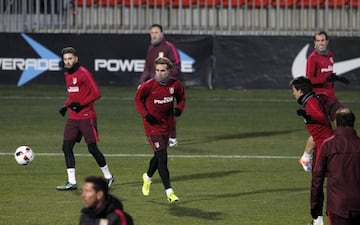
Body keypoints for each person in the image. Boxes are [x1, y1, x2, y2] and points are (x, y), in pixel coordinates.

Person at [57, 47, 114, 191]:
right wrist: (66, 106)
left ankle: (108, 177)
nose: (68, 61)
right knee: (66, 147)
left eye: (70, 58)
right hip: (73, 117)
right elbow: (73, 96)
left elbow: (97, 93)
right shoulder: (67, 74)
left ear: (76, 58)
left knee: (92, 148)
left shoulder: (83, 73)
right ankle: (71, 182)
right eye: (65, 59)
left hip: (87, 116)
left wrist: (81, 104)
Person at [135, 57, 185, 203]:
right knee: (162, 158)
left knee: (158, 156)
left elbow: (182, 98)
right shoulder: (148, 86)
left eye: (163, 71)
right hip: (152, 127)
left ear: (169, 71)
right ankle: (169, 192)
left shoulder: (175, 85)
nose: (159, 73)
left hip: (166, 126)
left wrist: (179, 109)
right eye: (157, 70)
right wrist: (145, 115)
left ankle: (147, 177)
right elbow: (138, 100)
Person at [299, 31, 349, 172]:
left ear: (327, 41)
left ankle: (341, 155)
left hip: (331, 98)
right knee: (323, 132)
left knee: (343, 120)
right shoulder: (312, 59)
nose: (321, 43)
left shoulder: (330, 56)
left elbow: (328, 75)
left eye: (323, 40)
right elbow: (309, 79)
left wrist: (335, 79)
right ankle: (306, 157)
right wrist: (325, 80)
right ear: (315, 43)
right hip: (320, 98)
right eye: (318, 41)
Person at [290, 76, 334, 225]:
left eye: (294, 90)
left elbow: (320, 117)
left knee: (317, 183)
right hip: (327, 144)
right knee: (335, 181)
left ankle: (318, 219)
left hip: (324, 147)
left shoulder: (310, 103)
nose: (293, 93)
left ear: (300, 91)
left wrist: (309, 116)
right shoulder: (312, 99)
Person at [311, 108, 360, 225]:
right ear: (353, 123)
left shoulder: (328, 145)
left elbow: (317, 178)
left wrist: (315, 206)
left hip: (337, 206)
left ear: (336, 123)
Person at [139, 24, 181, 148]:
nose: (154, 35)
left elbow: (177, 64)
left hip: (165, 84)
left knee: (167, 111)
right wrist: (142, 82)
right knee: (150, 110)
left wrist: (169, 79)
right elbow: (147, 67)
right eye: (152, 32)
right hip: (152, 85)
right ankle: (153, 135)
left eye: (156, 32)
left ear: (162, 34)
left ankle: (172, 138)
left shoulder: (168, 47)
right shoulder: (151, 48)